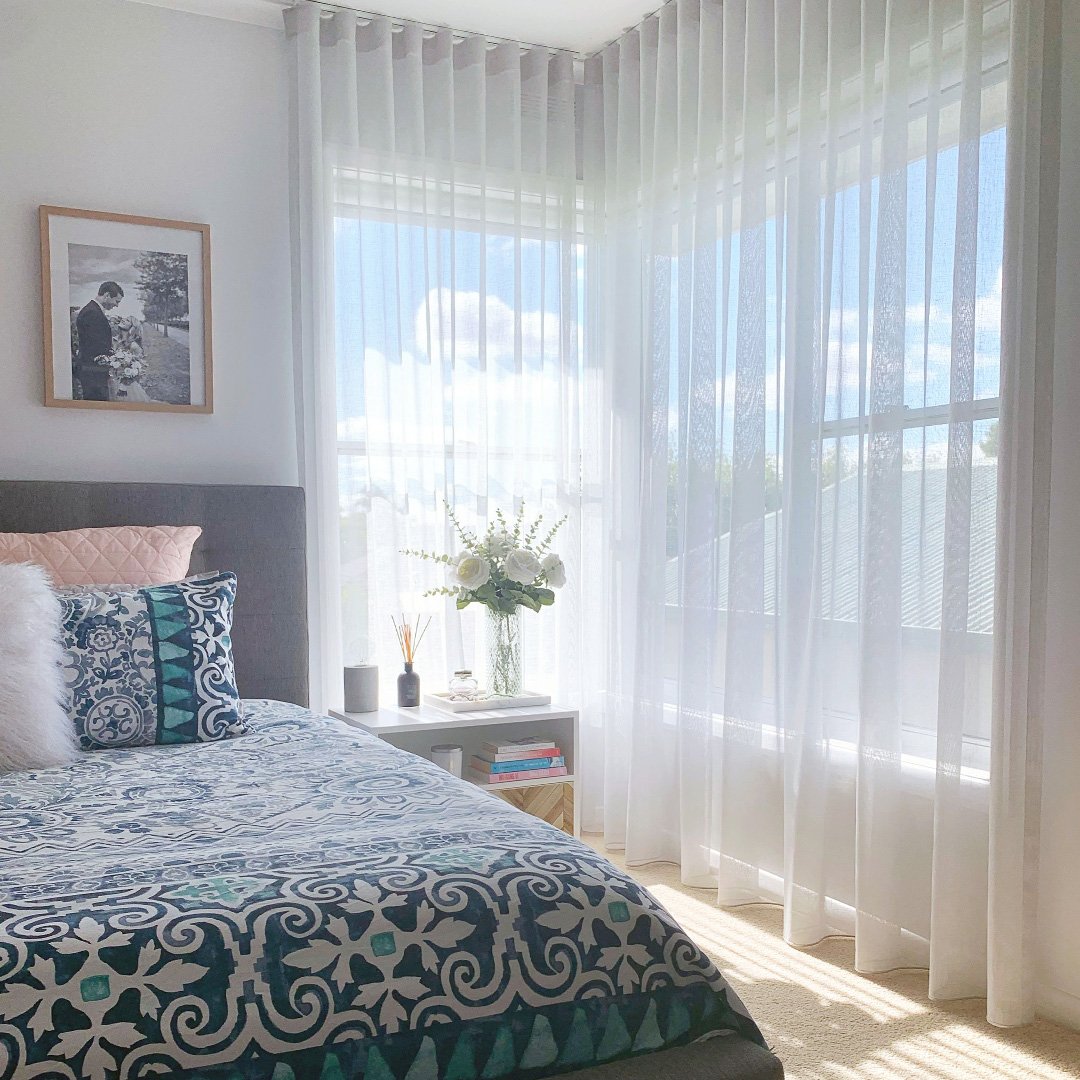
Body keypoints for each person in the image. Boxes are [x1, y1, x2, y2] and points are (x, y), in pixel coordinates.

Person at [74, 281, 123, 401]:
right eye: (116, 301)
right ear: (106, 295)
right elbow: (96, 346)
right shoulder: (92, 313)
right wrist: (115, 357)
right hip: (93, 372)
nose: (116, 305)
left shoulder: (94, 311)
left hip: (95, 370)